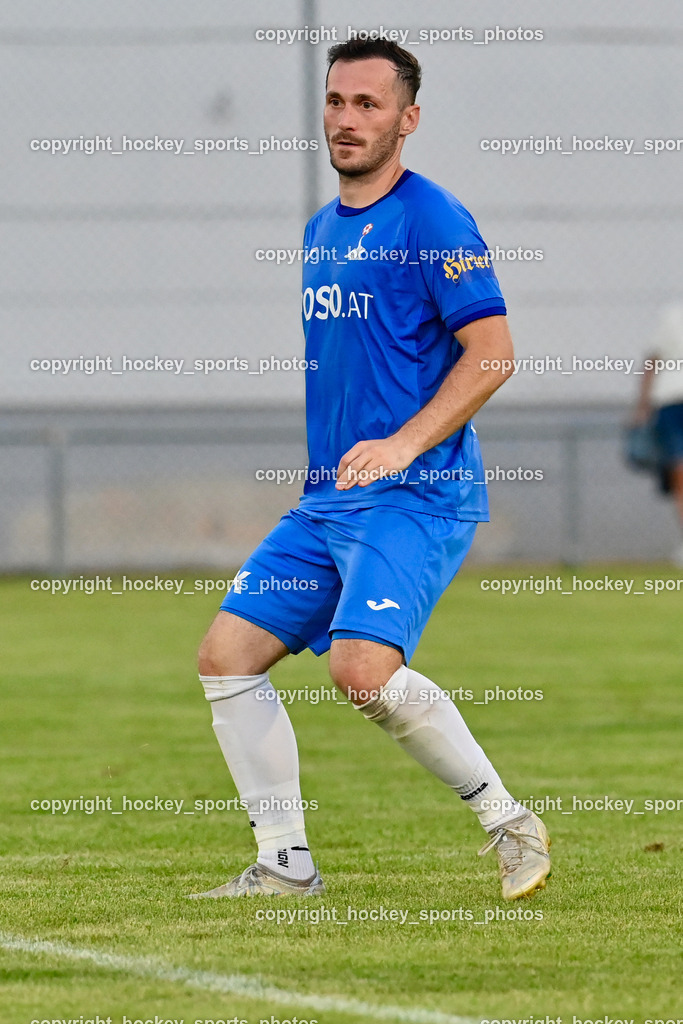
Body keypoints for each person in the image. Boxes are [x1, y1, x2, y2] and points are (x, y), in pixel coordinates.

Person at [190, 38, 551, 902]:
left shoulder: (433, 219)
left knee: (359, 673)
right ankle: (284, 864)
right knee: (226, 654)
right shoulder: (320, 232)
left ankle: (510, 824)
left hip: (417, 495)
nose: (348, 120)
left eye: (369, 104)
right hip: (330, 502)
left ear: (407, 119)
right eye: (336, 102)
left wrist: (403, 444)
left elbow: (492, 353)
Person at [634, 304, 683, 564]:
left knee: (679, 477)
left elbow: (651, 361)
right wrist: (643, 406)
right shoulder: (672, 315)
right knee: (679, 475)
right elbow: (653, 359)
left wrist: (642, 406)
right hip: (671, 402)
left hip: (668, 403)